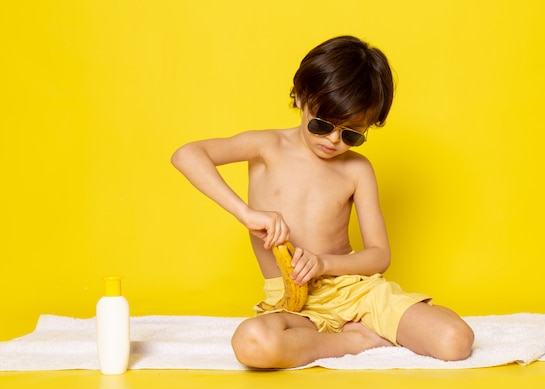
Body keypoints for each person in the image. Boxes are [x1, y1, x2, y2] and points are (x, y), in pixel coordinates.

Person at [171, 35, 474, 369]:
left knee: (455, 341)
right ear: (300, 98)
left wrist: (323, 264)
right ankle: (353, 341)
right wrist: (246, 213)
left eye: (351, 134)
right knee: (253, 343)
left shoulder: (357, 169)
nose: (333, 140)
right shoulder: (265, 146)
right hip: (291, 302)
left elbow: (379, 255)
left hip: (355, 293)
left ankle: (386, 322)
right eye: (322, 125)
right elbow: (187, 155)